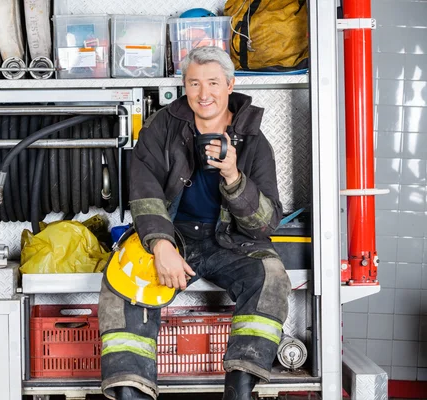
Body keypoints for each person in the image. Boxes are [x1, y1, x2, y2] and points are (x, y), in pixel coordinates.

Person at [98, 46, 291, 400]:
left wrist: (233, 176)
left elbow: (265, 225)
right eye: (194, 83)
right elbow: (144, 192)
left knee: (271, 277)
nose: (204, 94)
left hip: (232, 242)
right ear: (184, 86)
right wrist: (160, 244)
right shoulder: (162, 128)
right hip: (175, 238)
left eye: (213, 83)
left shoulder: (255, 142)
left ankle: (241, 389)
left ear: (230, 85)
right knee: (121, 285)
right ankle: (131, 392)